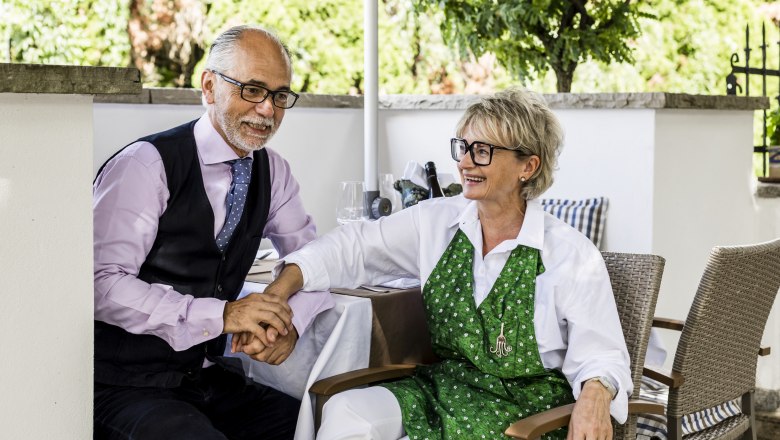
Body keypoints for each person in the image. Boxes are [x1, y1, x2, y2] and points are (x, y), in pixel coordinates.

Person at [264, 88, 632, 439]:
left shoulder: (570, 253)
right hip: (447, 389)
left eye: (484, 150)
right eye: (463, 147)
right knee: (346, 410)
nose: (466, 162)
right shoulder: (437, 222)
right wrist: (282, 289)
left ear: (528, 166)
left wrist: (596, 394)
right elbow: (355, 247)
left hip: (525, 412)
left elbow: (602, 353)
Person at [92, 25, 333, 440]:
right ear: (208, 86)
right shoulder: (146, 165)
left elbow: (314, 259)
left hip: (203, 377)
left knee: (320, 426)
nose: (268, 111)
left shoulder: (272, 170)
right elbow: (100, 285)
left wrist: (287, 323)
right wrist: (222, 315)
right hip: (123, 384)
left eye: (279, 95)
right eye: (253, 89)